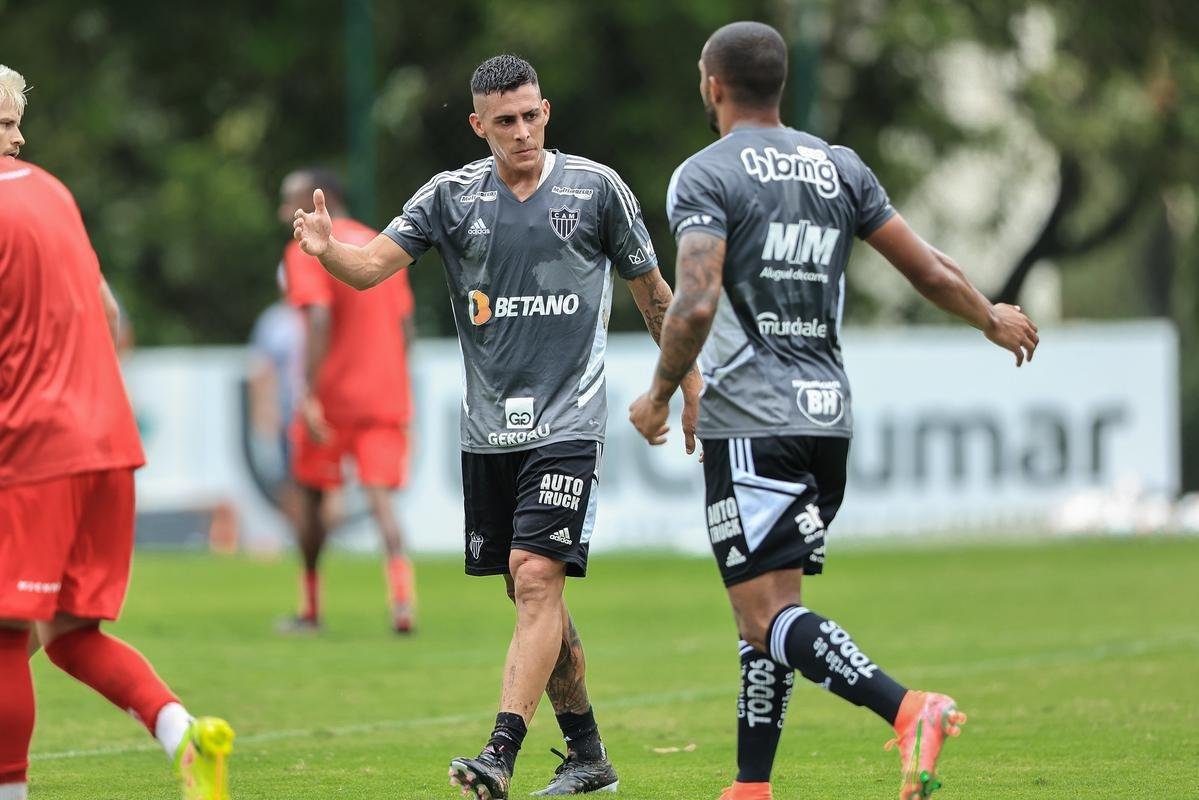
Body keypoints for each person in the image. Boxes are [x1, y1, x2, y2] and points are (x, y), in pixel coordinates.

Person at [628, 22, 1039, 800]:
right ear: (777, 85)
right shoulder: (835, 167)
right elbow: (926, 265)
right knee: (771, 610)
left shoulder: (703, 174)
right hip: (826, 419)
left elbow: (695, 300)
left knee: (763, 615)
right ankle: (752, 786)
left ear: (710, 84)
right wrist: (987, 315)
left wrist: (658, 394)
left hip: (752, 418)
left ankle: (908, 708)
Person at [291, 54, 702, 798]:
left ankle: (499, 753)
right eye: (504, 121)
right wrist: (328, 252)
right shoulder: (449, 198)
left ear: (546, 111)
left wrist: (686, 382)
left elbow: (653, 295)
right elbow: (369, 268)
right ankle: (587, 755)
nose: (522, 132)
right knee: (532, 596)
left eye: (531, 115)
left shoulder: (595, 189)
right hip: (487, 432)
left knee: (535, 575)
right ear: (479, 125)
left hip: (569, 419)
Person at [0, 64, 233, 800]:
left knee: (4, 635)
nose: (21, 135)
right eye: (7, 123)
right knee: (68, 637)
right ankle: (184, 736)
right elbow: (109, 317)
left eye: (13, 122)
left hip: (38, 447)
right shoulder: (56, 194)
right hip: (104, 441)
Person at [277, 168, 418, 634]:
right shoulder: (380, 242)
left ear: (323, 199)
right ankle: (402, 604)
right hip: (384, 395)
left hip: (332, 399)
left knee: (312, 497)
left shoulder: (309, 244)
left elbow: (317, 319)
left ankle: (310, 608)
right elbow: (406, 328)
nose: (285, 212)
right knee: (381, 502)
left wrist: (309, 392)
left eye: (291, 200)